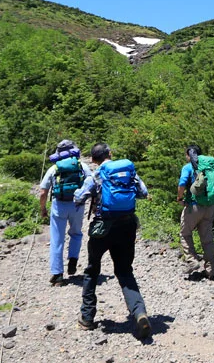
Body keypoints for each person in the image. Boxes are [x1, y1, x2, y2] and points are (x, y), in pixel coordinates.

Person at [74, 143, 152, 339]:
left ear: (93, 159)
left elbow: (79, 197)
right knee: (125, 271)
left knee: (92, 270)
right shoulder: (129, 172)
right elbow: (143, 192)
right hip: (127, 225)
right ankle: (139, 313)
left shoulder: (97, 175)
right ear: (110, 154)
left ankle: (87, 317)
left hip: (102, 228)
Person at [38, 139, 91, 286]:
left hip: (59, 205)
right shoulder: (82, 166)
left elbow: (43, 192)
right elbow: (93, 184)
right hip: (77, 205)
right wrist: (92, 203)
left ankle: (58, 275)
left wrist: (43, 209)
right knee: (76, 233)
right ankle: (73, 260)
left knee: (57, 239)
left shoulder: (54, 168)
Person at [176, 144, 214, 279]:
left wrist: (179, 198)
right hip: (209, 206)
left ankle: (192, 261)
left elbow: (182, 184)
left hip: (193, 206)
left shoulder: (188, 167)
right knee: (207, 238)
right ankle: (210, 270)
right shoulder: (209, 167)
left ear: (189, 155)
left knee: (185, 234)